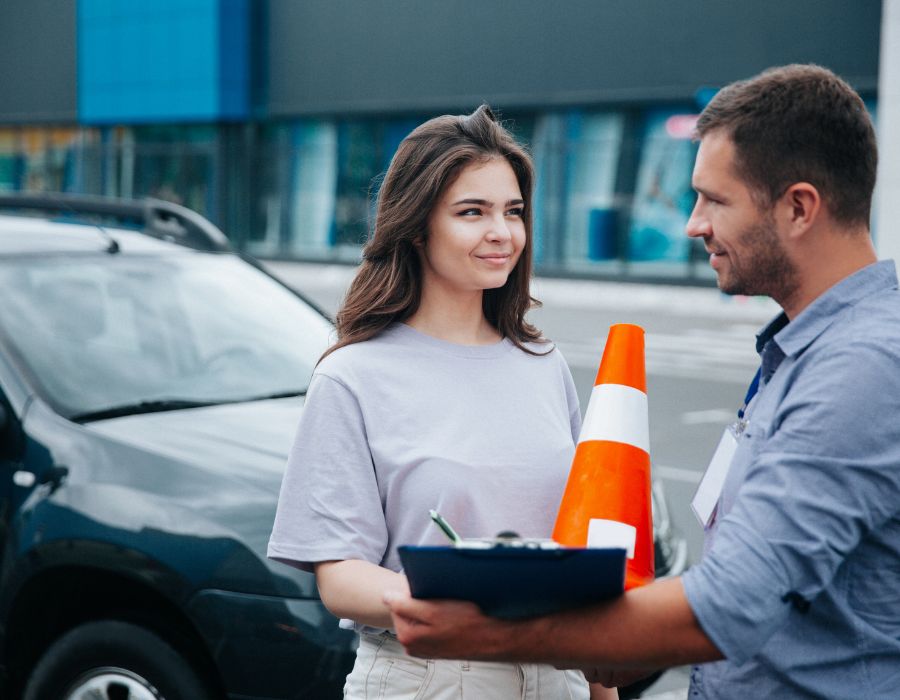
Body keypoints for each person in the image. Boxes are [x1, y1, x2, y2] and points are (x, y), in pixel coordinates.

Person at [385, 64, 900, 699]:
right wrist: (616, 642)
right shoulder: (807, 351)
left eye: (715, 199)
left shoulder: (861, 367)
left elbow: (730, 603)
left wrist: (497, 636)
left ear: (799, 208)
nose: (692, 224)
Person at [268, 105, 616, 699]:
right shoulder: (353, 376)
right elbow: (339, 575)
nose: (501, 233)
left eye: (512, 212)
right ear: (417, 225)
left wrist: (602, 687)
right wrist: (455, 602)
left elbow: (580, 541)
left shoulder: (544, 364)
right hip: (429, 674)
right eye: (471, 212)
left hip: (558, 673)